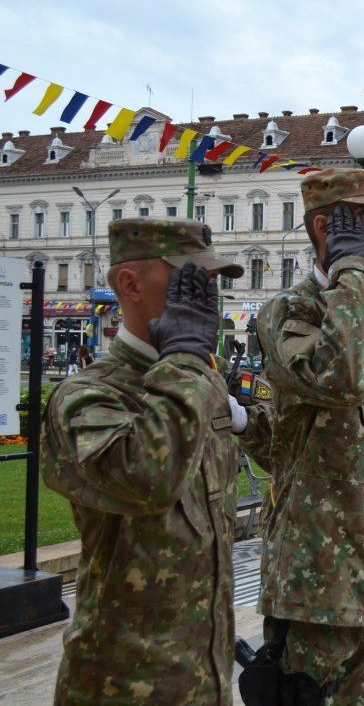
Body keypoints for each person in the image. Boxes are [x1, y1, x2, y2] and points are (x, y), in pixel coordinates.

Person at [42, 218, 270, 704]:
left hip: (203, 674)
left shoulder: (199, 381)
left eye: (209, 283)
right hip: (121, 683)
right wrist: (186, 357)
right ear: (129, 285)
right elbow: (148, 478)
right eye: (191, 281)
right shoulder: (88, 394)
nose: (206, 298)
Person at [255, 168, 364, 702]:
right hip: (317, 582)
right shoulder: (289, 312)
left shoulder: (363, 313)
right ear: (326, 227)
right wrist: (348, 271)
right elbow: (339, 382)